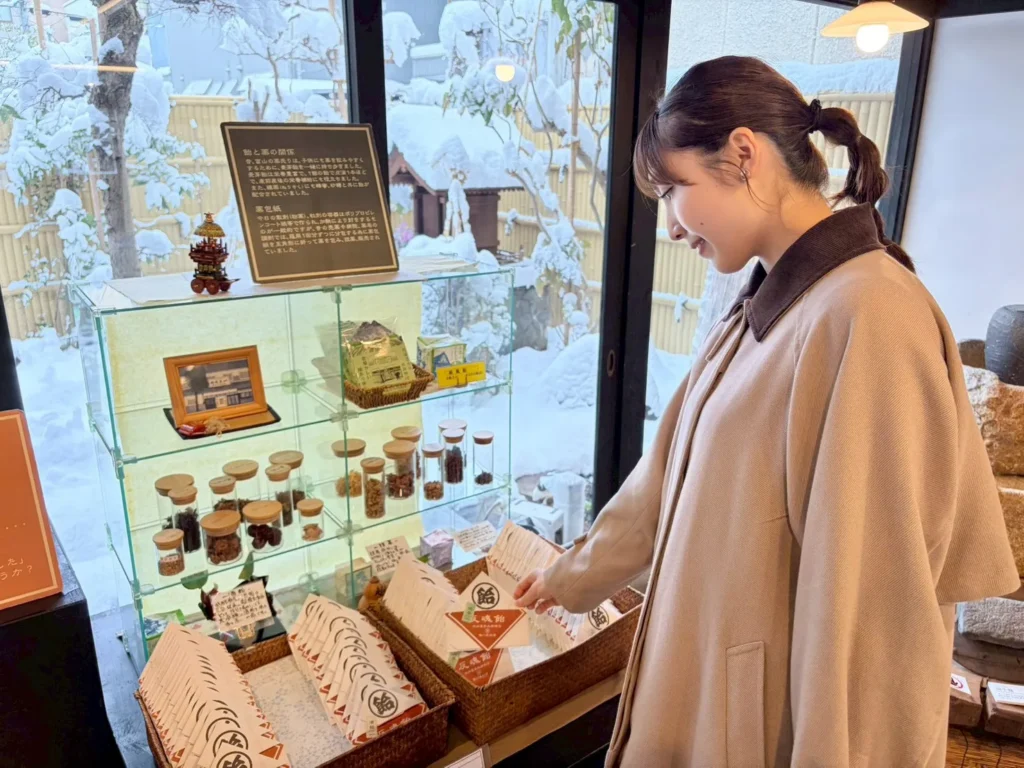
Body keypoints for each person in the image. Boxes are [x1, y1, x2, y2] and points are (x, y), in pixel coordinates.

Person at [514, 56, 1018, 767]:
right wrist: (570, 578)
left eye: (674, 189)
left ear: (743, 155)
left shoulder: (869, 314)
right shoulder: (763, 301)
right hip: (708, 695)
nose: (670, 226)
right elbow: (666, 480)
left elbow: (873, 622)